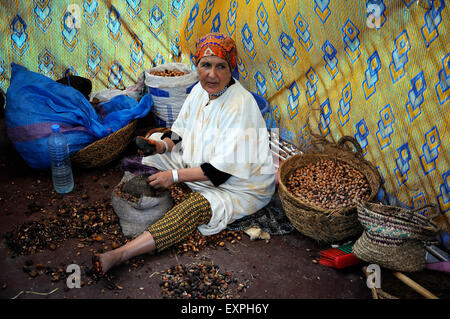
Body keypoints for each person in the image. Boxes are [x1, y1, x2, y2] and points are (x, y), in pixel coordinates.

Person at [93, 32, 275, 276]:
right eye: (205, 65)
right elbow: (180, 130)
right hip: (201, 160)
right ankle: (160, 174)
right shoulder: (201, 91)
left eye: (221, 66)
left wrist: (175, 177)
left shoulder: (240, 106)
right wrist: (163, 146)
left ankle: (119, 254)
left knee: (193, 209)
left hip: (238, 186)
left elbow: (219, 173)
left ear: (231, 69)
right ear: (197, 66)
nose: (212, 74)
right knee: (156, 139)